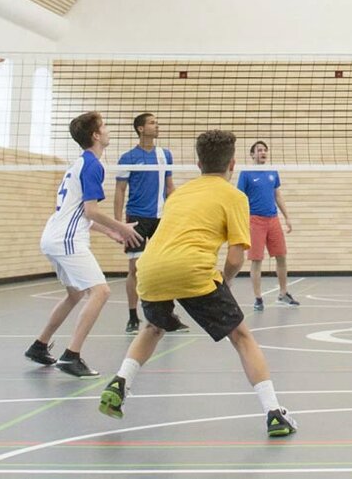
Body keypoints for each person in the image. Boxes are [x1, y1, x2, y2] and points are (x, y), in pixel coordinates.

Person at [100, 130, 299, 438]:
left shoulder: (180, 194)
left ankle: (120, 382)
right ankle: (274, 413)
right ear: (233, 164)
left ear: (197, 164)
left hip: (150, 267)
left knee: (153, 328)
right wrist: (226, 284)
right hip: (192, 270)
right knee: (242, 337)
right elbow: (235, 259)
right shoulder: (235, 197)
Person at [26, 112, 144, 378]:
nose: (107, 130)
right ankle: (71, 356)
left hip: (54, 236)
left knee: (76, 294)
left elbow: (80, 212)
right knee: (100, 292)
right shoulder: (92, 165)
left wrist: (109, 232)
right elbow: (90, 211)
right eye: (104, 126)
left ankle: (39, 345)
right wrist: (120, 226)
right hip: (66, 240)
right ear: (95, 135)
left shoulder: (79, 164)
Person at [115, 113, 188, 334]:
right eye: (152, 123)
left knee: (165, 267)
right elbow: (120, 190)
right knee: (135, 268)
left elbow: (169, 186)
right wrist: (118, 224)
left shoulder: (165, 155)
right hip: (136, 219)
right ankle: (132, 317)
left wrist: (179, 213)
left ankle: (168, 316)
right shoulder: (128, 157)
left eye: (157, 122)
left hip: (161, 218)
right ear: (140, 128)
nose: (157, 126)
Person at [238, 141, 299, 311]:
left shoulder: (273, 171)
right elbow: (240, 198)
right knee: (256, 260)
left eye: (265, 150)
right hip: (255, 220)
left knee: (281, 256)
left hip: (273, 220)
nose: (263, 153)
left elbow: (277, 195)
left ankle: (283, 293)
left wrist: (287, 217)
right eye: (259, 150)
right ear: (252, 155)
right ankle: (258, 298)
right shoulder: (246, 173)